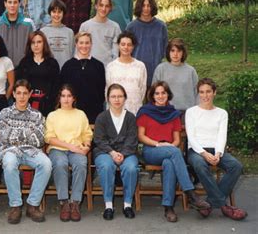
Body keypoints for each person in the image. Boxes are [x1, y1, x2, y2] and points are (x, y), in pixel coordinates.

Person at [137, 81, 210, 222]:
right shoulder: (145, 112)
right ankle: (191, 194)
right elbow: (141, 136)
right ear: (152, 95)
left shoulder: (174, 114)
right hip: (151, 150)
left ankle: (168, 207)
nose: (160, 96)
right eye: (157, 93)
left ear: (168, 94)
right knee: (175, 153)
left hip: (169, 151)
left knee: (169, 163)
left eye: (163, 93)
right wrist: (159, 144)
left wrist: (169, 146)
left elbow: (177, 140)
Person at [186, 78, 247, 220]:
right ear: (198, 94)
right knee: (200, 164)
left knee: (236, 166)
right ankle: (225, 206)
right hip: (196, 151)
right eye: (201, 92)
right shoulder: (191, 112)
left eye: (208, 91)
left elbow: (221, 136)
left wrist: (218, 153)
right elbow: (191, 138)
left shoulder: (222, 113)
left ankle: (209, 204)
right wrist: (204, 153)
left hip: (216, 150)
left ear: (214, 93)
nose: (205, 95)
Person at [0, 79, 52, 224]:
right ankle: (16, 206)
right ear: (13, 94)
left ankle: (33, 205)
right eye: (19, 93)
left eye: (25, 93)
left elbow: (39, 139)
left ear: (30, 94)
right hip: (10, 150)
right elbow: (4, 135)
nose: (22, 97)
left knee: (46, 164)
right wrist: (27, 133)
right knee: (9, 164)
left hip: (31, 151)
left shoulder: (37, 115)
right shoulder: (4, 113)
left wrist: (15, 134)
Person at [45, 85, 92, 222]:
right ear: (59, 98)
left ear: (74, 98)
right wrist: (71, 147)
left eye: (69, 96)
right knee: (60, 164)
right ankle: (64, 202)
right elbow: (49, 138)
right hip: (57, 148)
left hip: (77, 149)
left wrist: (87, 146)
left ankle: (75, 202)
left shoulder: (80, 114)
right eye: (63, 96)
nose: (66, 99)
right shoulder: (53, 115)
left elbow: (87, 134)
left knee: (81, 163)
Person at [93, 84, 138, 220]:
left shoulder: (130, 117)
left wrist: (122, 153)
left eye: (120, 96)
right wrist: (112, 153)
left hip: (127, 152)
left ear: (125, 98)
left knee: (131, 168)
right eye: (113, 96)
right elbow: (99, 140)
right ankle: (108, 205)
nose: (117, 99)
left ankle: (127, 204)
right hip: (104, 152)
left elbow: (132, 139)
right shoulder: (102, 117)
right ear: (108, 99)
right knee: (107, 166)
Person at [60, 32, 106, 124]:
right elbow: (62, 90)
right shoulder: (68, 65)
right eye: (81, 43)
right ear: (76, 44)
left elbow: (101, 90)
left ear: (91, 44)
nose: (84, 46)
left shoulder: (98, 65)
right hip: (72, 111)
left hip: (93, 113)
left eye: (87, 43)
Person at [126, 0, 168, 87]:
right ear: (139, 7)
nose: (146, 9)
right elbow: (125, 50)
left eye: (148, 6)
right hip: (136, 72)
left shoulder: (161, 26)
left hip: (155, 71)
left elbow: (165, 50)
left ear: (152, 7)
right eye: (143, 6)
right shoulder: (131, 27)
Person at [15, 31, 60, 116]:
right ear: (29, 45)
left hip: (48, 105)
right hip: (27, 105)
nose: (36, 45)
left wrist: (52, 103)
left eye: (39, 42)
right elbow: (19, 85)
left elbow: (56, 86)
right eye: (33, 42)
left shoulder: (52, 63)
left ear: (44, 44)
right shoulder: (24, 63)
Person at [106, 31, 147, 115]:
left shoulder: (140, 66)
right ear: (118, 45)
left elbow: (142, 89)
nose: (126, 47)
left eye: (129, 44)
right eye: (123, 44)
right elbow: (108, 89)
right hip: (115, 111)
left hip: (135, 110)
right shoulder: (111, 66)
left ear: (133, 47)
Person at [153, 38, 198, 113]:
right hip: (165, 111)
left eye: (179, 51)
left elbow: (197, 93)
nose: (175, 54)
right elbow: (154, 92)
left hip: (187, 112)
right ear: (168, 52)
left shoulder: (191, 71)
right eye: (172, 50)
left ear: (183, 52)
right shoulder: (160, 69)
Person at [0, 0, 34, 66]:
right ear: (5, 4)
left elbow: (34, 47)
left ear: (19, 4)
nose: (12, 5)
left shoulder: (28, 24)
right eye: (10, 2)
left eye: (15, 2)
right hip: (1, 68)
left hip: (24, 68)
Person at [79, 0, 121, 66]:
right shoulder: (85, 26)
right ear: (96, 6)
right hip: (88, 67)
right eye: (101, 5)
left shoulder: (115, 27)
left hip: (107, 68)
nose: (104, 9)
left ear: (110, 8)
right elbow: (78, 49)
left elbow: (116, 52)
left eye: (107, 6)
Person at [40, 0, 74, 68]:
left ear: (63, 13)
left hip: (66, 69)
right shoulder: (43, 31)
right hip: (48, 70)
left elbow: (72, 53)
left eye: (59, 12)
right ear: (50, 13)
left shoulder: (69, 32)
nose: (56, 15)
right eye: (54, 12)